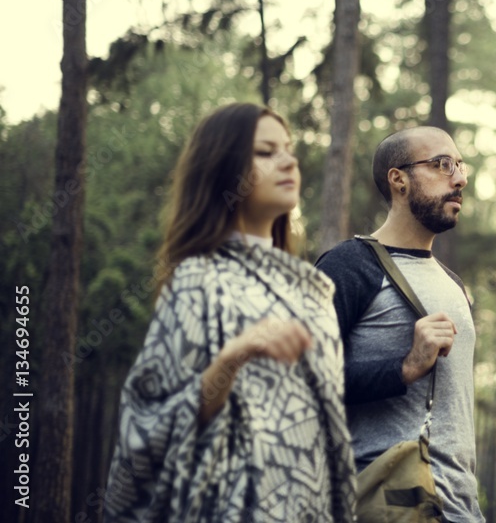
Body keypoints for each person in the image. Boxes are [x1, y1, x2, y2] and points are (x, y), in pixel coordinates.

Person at [104, 103, 355, 522]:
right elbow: (146, 426)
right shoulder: (196, 279)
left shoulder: (315, 291)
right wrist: (233, 356)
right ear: (223, 167)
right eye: (265, 151)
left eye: (289, 149)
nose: (289, 160)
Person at [314, 126, 485, 523]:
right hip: (386, 504)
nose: (459, 179)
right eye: (442, 165)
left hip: (461, 508)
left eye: (460, 166)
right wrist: (404, 367)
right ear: (398, 179)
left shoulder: (452, 283)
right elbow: (300, 379)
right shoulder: (348, 266)